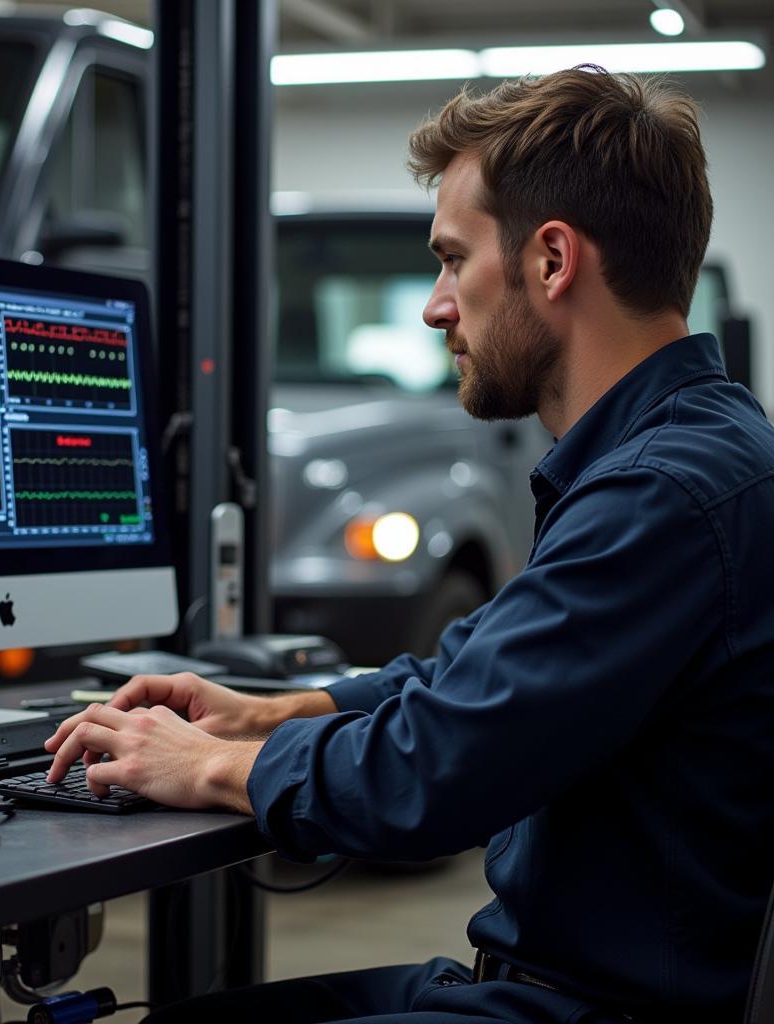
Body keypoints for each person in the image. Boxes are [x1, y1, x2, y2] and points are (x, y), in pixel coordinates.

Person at [46, 66, 774, 1023]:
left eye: (452, 259)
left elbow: (435, 771)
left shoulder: (661, 492)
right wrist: (267, 713)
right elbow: (478, 673)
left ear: (552, 261)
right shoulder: (696, 449)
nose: (436, 307)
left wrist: (206, 767)